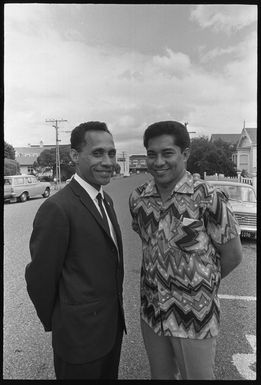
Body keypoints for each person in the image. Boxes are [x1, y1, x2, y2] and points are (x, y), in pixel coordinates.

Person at [129, 121, 243, 380]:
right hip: (152, 313)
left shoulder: (207, 196)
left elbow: (233, 255)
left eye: (167, 153)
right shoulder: (138, 199)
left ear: (185, 154)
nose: (158, 161)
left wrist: (196, 286)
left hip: (194, 316)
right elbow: (147, 241)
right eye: (151, 154)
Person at [25, 121, 126, 379]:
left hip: (110, 333)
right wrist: (62, 322)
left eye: (111, 153)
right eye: (97, 153)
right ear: (73, 156)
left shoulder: (106, 199)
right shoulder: (57, 208)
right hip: (78, 342)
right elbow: (40, 278)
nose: (108, 161)